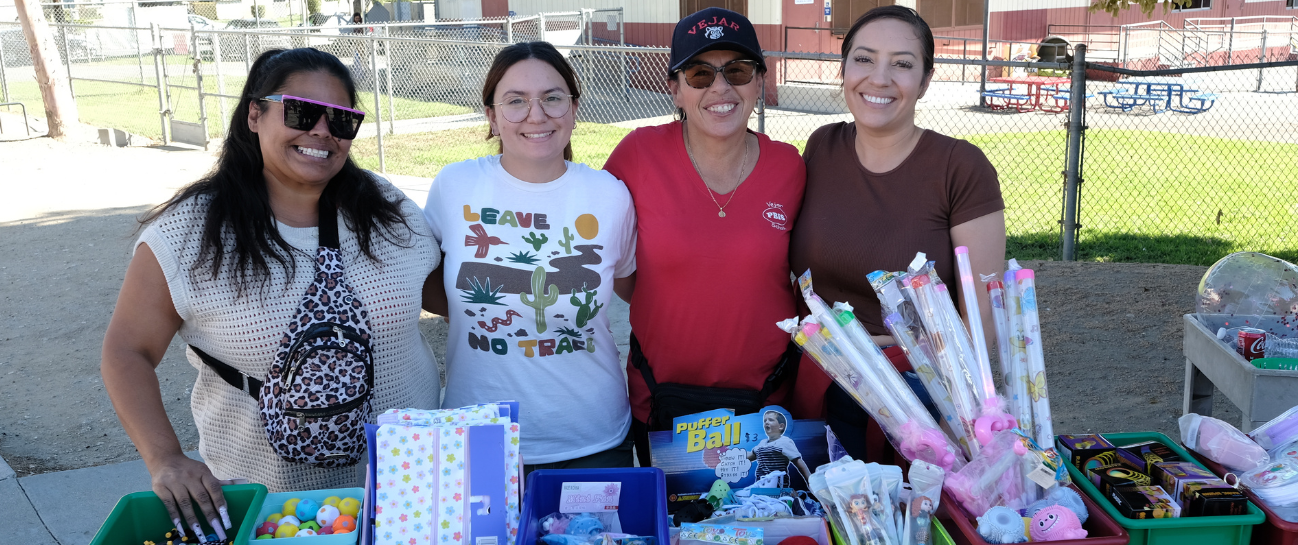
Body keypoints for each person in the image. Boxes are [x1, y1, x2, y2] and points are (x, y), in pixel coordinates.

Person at [101, 48, 442, 537]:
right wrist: (166, 459)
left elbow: (447, 295)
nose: (323, 131)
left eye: (343, 120)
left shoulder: (388, 210)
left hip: (410, 489)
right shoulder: (188, 235)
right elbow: (125, 351)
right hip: (273, 510)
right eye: (302, 112)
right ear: (254, 115)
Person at [788, 6, 1008, 462]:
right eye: (864, 59)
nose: (880, 78)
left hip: (919, 395)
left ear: (925, 80)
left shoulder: (959, 167)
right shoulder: (821, 147)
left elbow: (982, 311)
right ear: (843, 68)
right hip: (822, 380)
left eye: (902, 64)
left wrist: (958, 413)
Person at [603, 7, 806, 467]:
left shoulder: (789, 167)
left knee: (755, 528)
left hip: (764, 406)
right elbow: (612, 260)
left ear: (759, 82)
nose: (720, 88)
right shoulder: (637, 155)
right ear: (674, 89)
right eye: (699, 73)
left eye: (736, 70)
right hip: (661, 401)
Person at [423, 41, 637, 473]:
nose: (536, 115)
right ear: (491, 115)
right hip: (478, 436)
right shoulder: (455, 185)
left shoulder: (609, 194)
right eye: (515, 101)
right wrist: (490, 308)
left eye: (552, 98)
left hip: (591, 437)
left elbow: (632, 288)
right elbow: (426, 282)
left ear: (574, 108)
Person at [748, 409, 812, 486]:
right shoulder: (762, 443)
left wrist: (810, 481)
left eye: (771, 420)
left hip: (778, 485)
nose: (766, 422)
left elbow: (798, 462)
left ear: (781, 426)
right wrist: (734, 456)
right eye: (765, 421)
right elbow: (751, 456)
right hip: (761, 484)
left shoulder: (784, 441)